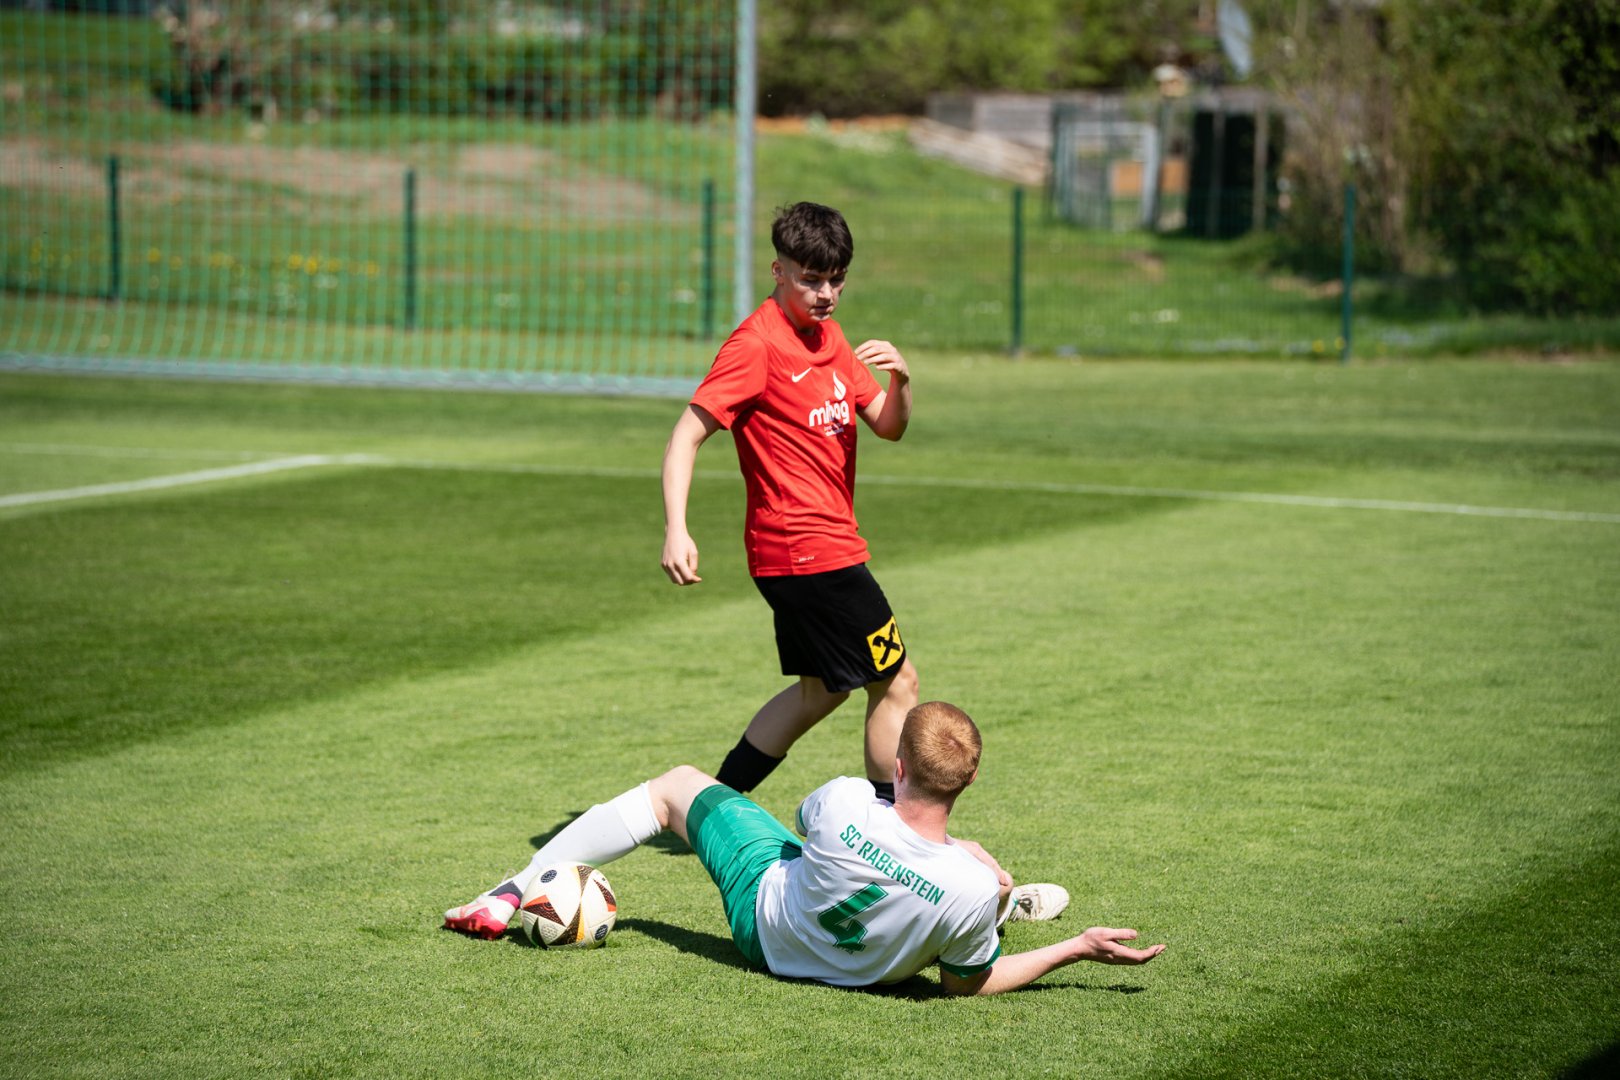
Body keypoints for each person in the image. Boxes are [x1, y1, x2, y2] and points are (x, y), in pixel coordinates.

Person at [444, 701, 1165, 994]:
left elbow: (804, 827)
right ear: (971, 779)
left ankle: (514, 887)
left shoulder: (848, 799)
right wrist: (1075, 949)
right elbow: (966, 987)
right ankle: (1004, 908)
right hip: (876, 960)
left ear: (898, 767)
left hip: (766, 924)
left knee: (676, 788)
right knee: (977, 877)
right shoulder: (965, 883)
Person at [661, 201, 918, 804]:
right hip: (807, 551)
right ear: (778, 271)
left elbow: (888, 425)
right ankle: (892, 826)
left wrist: (902, 380)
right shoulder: (755, 346)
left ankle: (709, 808)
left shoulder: (830, 337)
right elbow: (685, 436)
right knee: (897, 681)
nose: (826, 294)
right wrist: (677, 528)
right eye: (811, 279)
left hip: (812, 550)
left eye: (836, 280)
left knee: (821, 690)